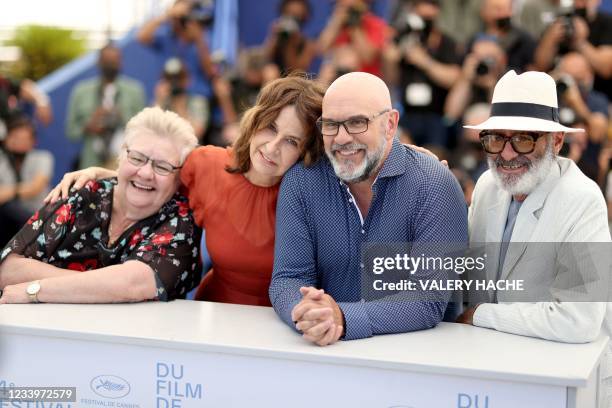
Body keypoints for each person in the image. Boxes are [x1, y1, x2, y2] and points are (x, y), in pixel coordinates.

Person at [45, 75, 326, 307]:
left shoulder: (312, 197)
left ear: (306, 151)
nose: (273, 147)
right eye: (270, 128)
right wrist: (98, 173)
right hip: (212, 314)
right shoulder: (208, 165)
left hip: (283, 326)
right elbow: (154, 176)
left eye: (291, 141)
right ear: (255, 121)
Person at [269, 72, 468, 346]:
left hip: (418, 361)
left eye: (356, 123)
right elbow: (288, 278)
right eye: (330, 125)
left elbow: (427, 298)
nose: (341, 138)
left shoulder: (434, 184)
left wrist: (343, 318)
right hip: (324, 354)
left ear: (390, 124)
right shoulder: (302, 181)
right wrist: (309, 312)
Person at [454, 70, 611, 403]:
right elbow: (464, 274)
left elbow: (578, 319)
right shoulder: (486, 187)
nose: (507, 154)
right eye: (496, 138)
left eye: (523, 138)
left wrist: (480, 315)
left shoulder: (583, 199)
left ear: (556, 141)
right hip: (492, 374)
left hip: (564, 384)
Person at [0, 107, 201, 304]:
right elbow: (8, 269)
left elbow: (131, 284)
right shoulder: (81, 193)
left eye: (163, 167)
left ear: (179, 178)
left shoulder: (181, 220)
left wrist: (34, 290)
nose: (146, 173)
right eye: (137, 158)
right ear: (121, 157)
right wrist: (102, 288)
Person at [384, 0, 461, 147]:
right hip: (406, 114)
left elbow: (454, 78)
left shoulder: (445, 42)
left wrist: (424, 61)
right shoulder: (403, 39)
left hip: (436, 115)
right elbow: (390, 78)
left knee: (435, 156)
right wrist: (391, 57)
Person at [66, 43, 146, 169]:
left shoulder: (134, 91)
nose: (110, 65)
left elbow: (143, 130)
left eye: (114, 60)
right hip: (91, 161)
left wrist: (121, 116)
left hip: (122, 163)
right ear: (98, 62)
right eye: (107, 60)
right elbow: (71, 131)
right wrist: (89, 126)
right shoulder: (81, 91)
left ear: (121, 62)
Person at [0, 115, 54, 247]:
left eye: (24, 139)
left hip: (38, 216)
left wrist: (9, 192)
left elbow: (35, 187)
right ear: (6, 139)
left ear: (33, 141)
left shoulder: (43, 157)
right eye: (15, 138)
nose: (20, 142)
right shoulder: (2, 160)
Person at [317, 0, 389, 77]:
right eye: (342, 7)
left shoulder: (375, 23)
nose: (346, 12)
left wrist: (354, 27)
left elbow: (368, 57)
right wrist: (336, 22)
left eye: (350, 9)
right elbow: (321, 49)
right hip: (335, 73)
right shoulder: (337, 24)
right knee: (327, 69)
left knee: (349, 58)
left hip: (364, 76)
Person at [153, 57, 209, 141]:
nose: (174, 83)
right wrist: (159, 101)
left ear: (187, 80)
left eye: (178, 78)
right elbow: (151, 130)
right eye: (169, 78)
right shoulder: (161, 104)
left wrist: (181, 108)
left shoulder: (198, 102)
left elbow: (196, 134)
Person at [263, 0, 316, 77]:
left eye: (296, 17)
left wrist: (291, 45)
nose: (291, 21)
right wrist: (274, 38)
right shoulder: (277, 35)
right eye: (288, 15)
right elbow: (265, 59)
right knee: (270, 71)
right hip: (274, 79)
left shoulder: (308, 44)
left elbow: (296, 73)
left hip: (294, 81)